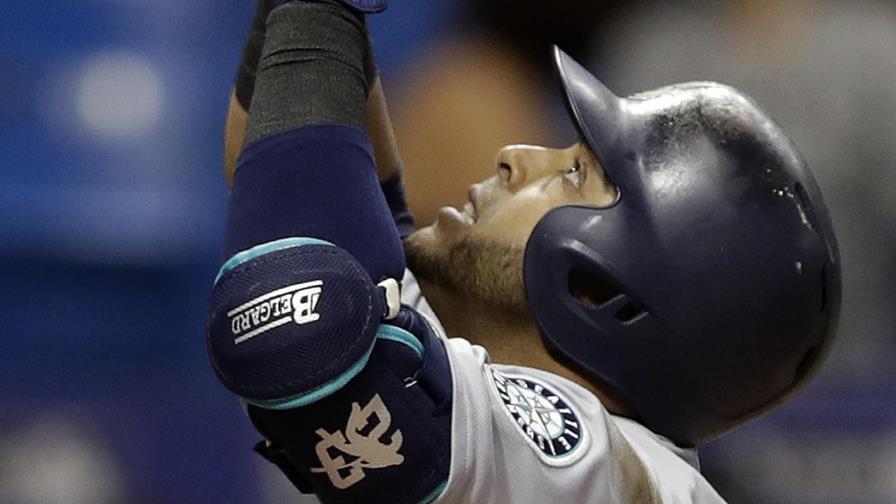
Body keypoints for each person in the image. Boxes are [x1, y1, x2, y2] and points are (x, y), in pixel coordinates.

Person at [208, 1, 840, 503]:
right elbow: (298, 183)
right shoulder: (536, 426)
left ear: (602, 291)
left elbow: (295, 314)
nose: (517, 157)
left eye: (573, 174)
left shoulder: (610, 470)